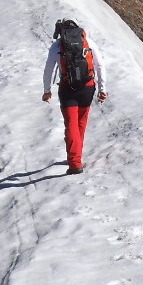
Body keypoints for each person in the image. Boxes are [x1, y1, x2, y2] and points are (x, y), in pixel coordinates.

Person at [42, 18, 107, 173]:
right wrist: (102, 88)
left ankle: (74, 163)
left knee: (71, 124)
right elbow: (99, 65)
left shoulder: (57, 46)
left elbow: (48, 70)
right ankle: (76, 155)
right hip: (88, 87)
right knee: (80, 123)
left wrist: (47, 91)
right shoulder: (88, 42)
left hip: (67, 88)